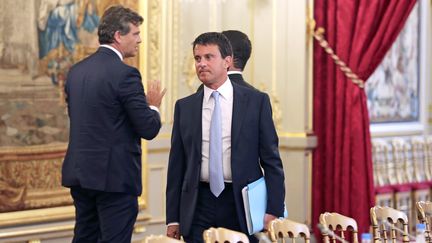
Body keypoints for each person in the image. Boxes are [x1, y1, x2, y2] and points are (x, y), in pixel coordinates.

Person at [166, 32, 285, 243]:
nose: (201, 64)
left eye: (208, 57)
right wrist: (173, 219)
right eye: (197, 58)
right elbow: (177, 166)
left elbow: (272, 161)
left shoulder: (256, 102)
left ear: (227, 61)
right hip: (198, 203)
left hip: (241, 204)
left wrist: (273, 210)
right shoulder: (185, 107)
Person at [62, 5, 166, 243]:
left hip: (81, 175)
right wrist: (153, 106)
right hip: (114, 179)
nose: (139, 40)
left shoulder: (76, 72)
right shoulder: (125, 74)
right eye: (136, 34)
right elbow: (148, 128)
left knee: (85, 237)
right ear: (119, 36)